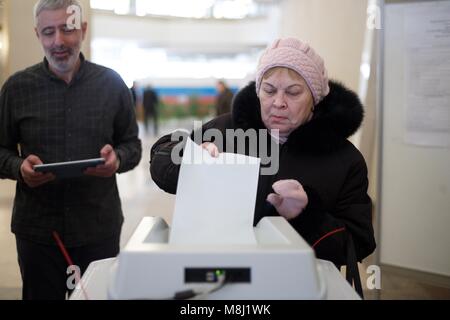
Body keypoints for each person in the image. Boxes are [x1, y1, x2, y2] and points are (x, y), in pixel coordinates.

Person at [150, 38, 375, 295]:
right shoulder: (226, 131)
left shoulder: (345, 160)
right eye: (269, 90)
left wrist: (308, 215)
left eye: (293, 92)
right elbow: (161, 157)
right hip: (222, 281)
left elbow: (357, 242)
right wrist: (189, 161)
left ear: (314, 97)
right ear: (258, 90)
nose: (278, 102)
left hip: (298, 287)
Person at [0, 0, 142, 300]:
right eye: (49, 32)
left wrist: (117, 160)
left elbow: (133, 146)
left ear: (84, 30)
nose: (58, 41)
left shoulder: (112, 84)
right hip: (38, 231)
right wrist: (19, 168)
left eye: (67, 29)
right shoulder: (17, 88)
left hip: (98, 228)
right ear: (38, 34)